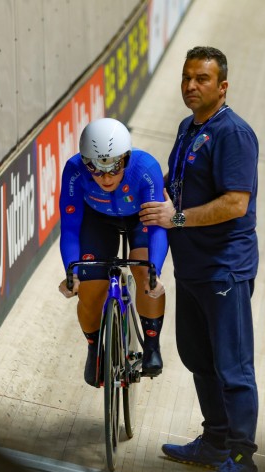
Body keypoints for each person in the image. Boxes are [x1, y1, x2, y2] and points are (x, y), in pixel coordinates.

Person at [139, 46, 259, 472]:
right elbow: (177, 189)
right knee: (197, 356)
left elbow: (235, 202)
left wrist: (179, 218)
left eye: (202, 79)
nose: (191, 86)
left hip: (224, 268)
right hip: (191, 268)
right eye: (187, 77)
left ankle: (244, 462)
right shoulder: (188, 128)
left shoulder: (234, 134)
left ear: (222, 86)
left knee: (234, 367)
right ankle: (215, 441)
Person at [58, 118, 167, 387]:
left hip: (140, 218)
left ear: (126, 160)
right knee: (90, 291)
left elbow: (157, 229)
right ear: (85, 163)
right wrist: (71, 273)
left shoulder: (145, 168)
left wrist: (155, 270)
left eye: (113, 168)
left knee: (145, 274)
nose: (105, 177)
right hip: (98, 220)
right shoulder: (73, 171)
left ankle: (151, 346)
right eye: (95, 168)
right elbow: (70, 227)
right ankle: (94, 349)